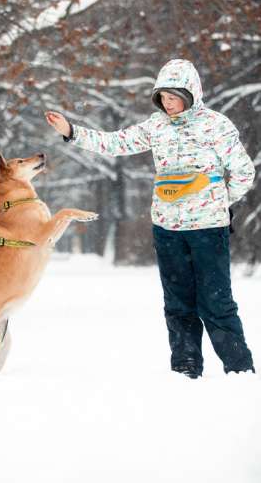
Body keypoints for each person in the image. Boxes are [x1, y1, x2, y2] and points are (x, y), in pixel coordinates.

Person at [45, 58, 255, 379]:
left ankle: (239, 369)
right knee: (177, 303)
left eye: (173, 96)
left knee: (216, 303)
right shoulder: (155, 127)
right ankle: (185, 369)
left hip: (207, 228)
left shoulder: (216, 125)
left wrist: (222, 201)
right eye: (163, 98)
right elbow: (115, 143)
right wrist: (71, 131)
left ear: (190, 93)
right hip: (167, 228)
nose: (168, 104)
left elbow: (243, 171)